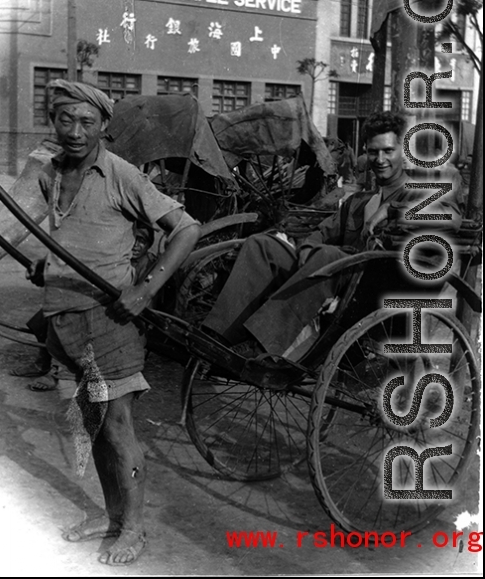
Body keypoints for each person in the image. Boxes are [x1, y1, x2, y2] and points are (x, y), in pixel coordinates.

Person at [26, 80, 200, 566]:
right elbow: (61, 230)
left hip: (109, 322)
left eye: (87, 122)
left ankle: (134, 528)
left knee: (118, 429)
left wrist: (144, 290)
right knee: (94, 427)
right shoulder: (52, 172)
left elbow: (187, 228)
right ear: (54, 122)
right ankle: (111, 515)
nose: (75, 132)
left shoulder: (121, 174)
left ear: (105, 125)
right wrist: (45, 261)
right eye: (66, 120)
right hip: (63, 319)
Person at [204, 110, 462, 360]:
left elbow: (452, 218)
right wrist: (307, 248)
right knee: (262, 245)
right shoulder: (359, 201)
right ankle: (217, 336)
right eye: (373, 152)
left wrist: (392, 209)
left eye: (388, 151)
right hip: (335, 275)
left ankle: (261, 343)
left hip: (375, 290)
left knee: (328, 256)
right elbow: (323, 232)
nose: (380, 159)